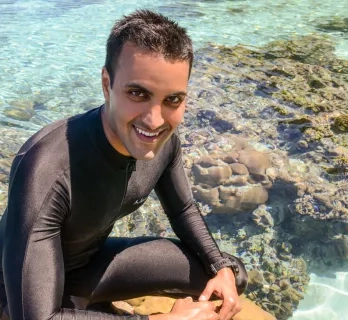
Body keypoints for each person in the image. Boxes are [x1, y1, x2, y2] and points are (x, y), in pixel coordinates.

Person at [0, 9, 248, 320]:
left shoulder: (162, 140)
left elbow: (183, 210)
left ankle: (87, 306)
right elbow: (35, 318)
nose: (154, 120)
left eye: (172, 99)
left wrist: (218, 265)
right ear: (107, 84)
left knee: (230, 277)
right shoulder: (46, 167)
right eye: (138, 93)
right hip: (17, 296)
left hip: (90, 269)